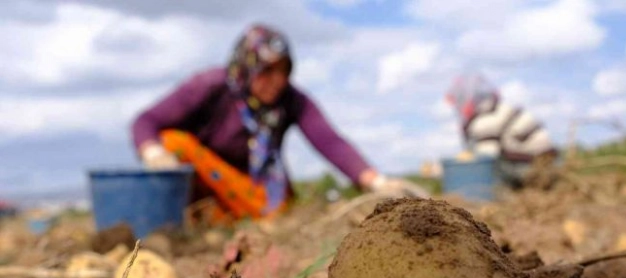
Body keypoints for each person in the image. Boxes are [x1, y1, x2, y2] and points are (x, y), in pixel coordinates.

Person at [131, 24, 428, 222]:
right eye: (267, 71)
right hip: (210, 192)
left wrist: (375, 181)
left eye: (284, 71)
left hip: (262, 196)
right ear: (246, 65)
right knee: (173, 143)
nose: (278, 81)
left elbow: (328, 141)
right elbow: (146, 121)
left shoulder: (291, 100)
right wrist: (154, 153)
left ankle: (258, 217)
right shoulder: (211, 86)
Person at [446, 74, 558, 188]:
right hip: (551, 161)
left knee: (493, 168)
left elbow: (486, 157)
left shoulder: (483, 121)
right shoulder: (497, 108)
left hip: (530, 166)